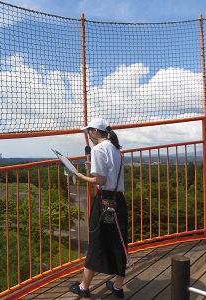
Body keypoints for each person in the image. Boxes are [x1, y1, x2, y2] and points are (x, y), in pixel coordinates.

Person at [68, 117, 128, 299]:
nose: (89, 135)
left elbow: (101, 181)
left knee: (96, 242)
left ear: (95, 131)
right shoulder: (116, 149)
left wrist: (79, 177)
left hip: (104, 202)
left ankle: (84, 287)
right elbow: (109, 175)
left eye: (89, 132)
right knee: (119, 243)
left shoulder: (98, 149)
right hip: (118, 201)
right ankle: (117, 287)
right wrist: (90, 170)